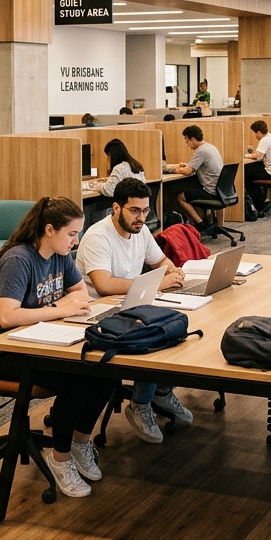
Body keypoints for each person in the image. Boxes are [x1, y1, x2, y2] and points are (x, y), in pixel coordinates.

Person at [0, 197, 119, 499]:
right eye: (71, 234)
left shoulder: (59, 255)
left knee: (107, 367)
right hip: (4, 351)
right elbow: (7, 317)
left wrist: (60, 305)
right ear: (49, 230)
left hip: (41, 340)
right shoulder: (20, 259)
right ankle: (60, 459)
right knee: (76, 377)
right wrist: (57, 307)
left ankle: (80, 441)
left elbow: (80, 291)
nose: (76, 240)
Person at [74, 178, 189, 443]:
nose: (141, 217)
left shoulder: (140, 230)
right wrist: (159, 281)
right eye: (134, 211)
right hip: (99, 314)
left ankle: (161, 390)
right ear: (116, 208)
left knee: (176, 324)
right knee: (154, 335)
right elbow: (104, 285)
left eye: (145, 211)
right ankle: (141, 404)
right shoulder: (98, 236)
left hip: (130, 305)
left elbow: (159, 259)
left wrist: (173, 270)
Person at [169, 124, 223, 229]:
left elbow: (188, 171)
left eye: (187, 140)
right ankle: (205, 222)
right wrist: (187, 165)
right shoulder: (210, 147)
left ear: (193, 139)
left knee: (180, 197)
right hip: (220, 189)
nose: (186, 143)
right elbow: (194, 166)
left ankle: (200, 224)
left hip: (210, 191)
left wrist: (175, 169)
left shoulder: (201, 151)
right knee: (193, 192)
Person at [245, 120, 271, 210]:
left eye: (255, 133)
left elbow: (257, 156)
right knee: (251, 171)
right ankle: (260, 201)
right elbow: (260, 157)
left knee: (245, 176)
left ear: (259, 132)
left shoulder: (265, 140)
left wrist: (246, 155)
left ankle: (258, 205)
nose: (255, 136)